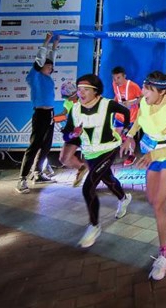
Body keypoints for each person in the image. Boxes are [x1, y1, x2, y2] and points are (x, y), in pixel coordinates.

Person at [124, 71, 166, 281]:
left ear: (162, 92)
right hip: (151, 154)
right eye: (144, 87)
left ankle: (164, 254)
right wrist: (129, 136)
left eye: (149, 89)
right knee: (152, 200)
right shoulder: (145, 101)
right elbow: (139, 119)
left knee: (159, 206)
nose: (143, 92)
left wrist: (155, 155)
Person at [61, 73, 133, 248]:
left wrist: (125, 132)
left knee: (88, 187)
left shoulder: (107, 104)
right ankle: (123, 198)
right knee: (107, 178)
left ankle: (94, 226)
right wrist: (73, 135)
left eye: (86, 89)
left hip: (108, 149)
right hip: (89, 153)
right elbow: (66, 134)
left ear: (96, 91)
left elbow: (126, 112)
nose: (81, 93)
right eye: (79, 89)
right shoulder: (75, 109)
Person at [16, 32, 60, 193]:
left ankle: (38, 173)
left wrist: (55, 45)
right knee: (34, 145)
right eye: (47, 66)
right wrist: (47, 41)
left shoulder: (48, 77)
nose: (50, 67)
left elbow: (50, 60)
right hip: (40, 114)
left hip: (50, 114)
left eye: (51, 66)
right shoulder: (34, 76)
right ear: (40, 67)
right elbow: (40, 59)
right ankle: (22, 179)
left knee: (46, 145)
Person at [57, 81, 88, 187]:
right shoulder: (68, 103)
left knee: (93, 158)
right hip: (73, 130)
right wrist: (55, 118)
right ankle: (81, 168)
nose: (66, 99)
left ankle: (98, 178)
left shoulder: (86, 100)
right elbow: (64, 114)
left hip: (87, 131)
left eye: (67, 97)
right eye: (65, 97)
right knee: (64, 158)